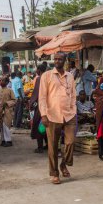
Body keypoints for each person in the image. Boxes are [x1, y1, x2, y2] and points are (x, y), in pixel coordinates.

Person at [39, 52, 77, 184]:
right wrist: (43, 114)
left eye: (60, 59)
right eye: (55, 59)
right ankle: (54, 173)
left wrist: (73, 110)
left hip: (69, 115)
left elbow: (73, 95)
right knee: (53, 146)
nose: (57, 61)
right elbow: (42, 97)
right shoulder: (47, 76)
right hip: (52, 115)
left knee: (70, 142)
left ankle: (64, 164)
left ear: (64, 61)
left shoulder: (70, 76)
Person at [30, 65, 47, 153]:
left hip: (41, 107)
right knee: (48, 127)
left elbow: (36, 93)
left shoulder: (40, 79)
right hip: (51, 107)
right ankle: (48, 145)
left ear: (39, 70)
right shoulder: (50, 77)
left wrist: (31, 103)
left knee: (39, 126)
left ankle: (40, 147)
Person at [0, 76, 16, 147]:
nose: (1, 82)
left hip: (7, 111)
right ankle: (3, 140)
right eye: (1, 80)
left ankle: (8, 141)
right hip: (0, 111)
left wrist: (7, 103)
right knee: (1, 126)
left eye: (3, 81)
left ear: (7, 82)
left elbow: (14, 100)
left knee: (6, 126)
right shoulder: (0, 90)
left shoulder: (10, 90)